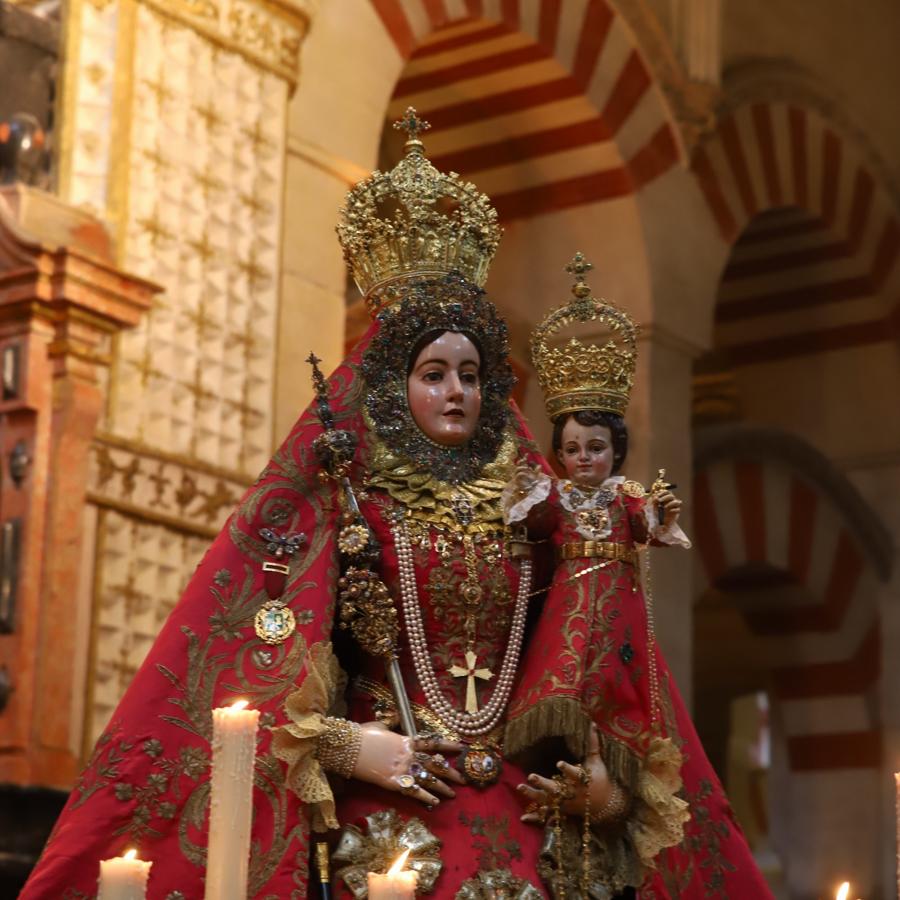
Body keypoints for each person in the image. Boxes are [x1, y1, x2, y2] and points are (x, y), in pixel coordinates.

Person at [21, 112, 771, 899]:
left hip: (529, 821)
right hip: (389, 823)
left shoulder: (537, 508)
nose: (457, 392)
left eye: (473, 375)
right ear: (394, 382)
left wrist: (610, 793)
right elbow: (252, 682)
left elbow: (604, 664)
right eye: (435, 373)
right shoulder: (343, 499)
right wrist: (351, 748)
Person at [498, 256, 774, 897]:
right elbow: (533, 526)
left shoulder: (624, 497)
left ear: (615, 450)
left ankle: (608, 762)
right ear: (559, 451)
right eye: (571, 449)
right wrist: (524, 498)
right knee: (559, 670)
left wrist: (662, 513)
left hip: (616, 606)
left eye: (594, 448)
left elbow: (657, 528)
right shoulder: (557, 496)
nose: (583, 459)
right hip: (568, 598)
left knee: (618, 682)